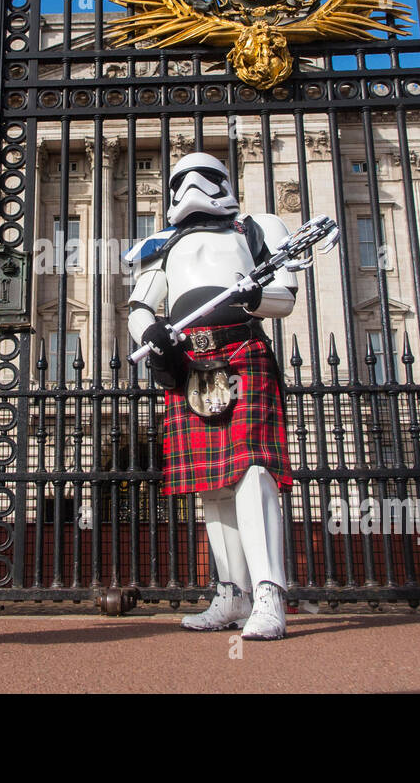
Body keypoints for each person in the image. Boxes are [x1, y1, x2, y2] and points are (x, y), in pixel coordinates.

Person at [125, 152, 297, 639]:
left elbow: (286, 294)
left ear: (226, 182)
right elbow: (138, 304)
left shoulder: (255, 229)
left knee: (253, 471)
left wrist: (252, 297)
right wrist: (151, 334)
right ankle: (232, 593)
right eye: (183, 178)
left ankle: (269, 593)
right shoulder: (163, 245)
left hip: (241, 352)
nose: (195, 186)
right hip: (190, 364)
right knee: (213, 487)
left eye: (207, 176)